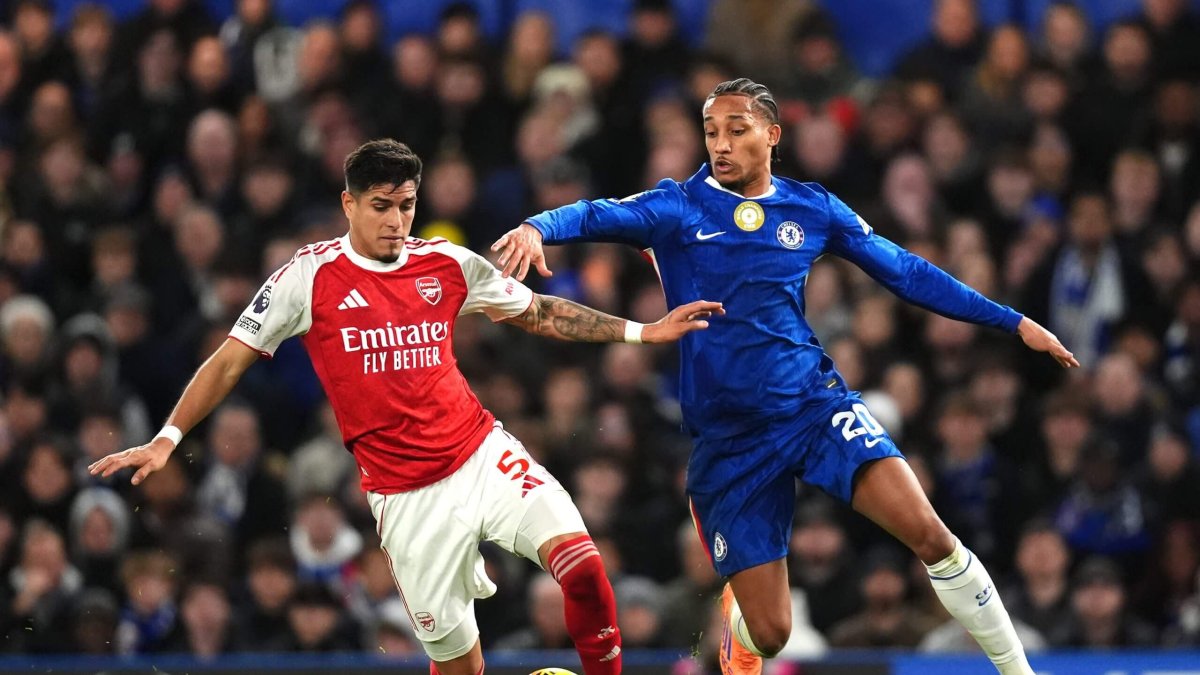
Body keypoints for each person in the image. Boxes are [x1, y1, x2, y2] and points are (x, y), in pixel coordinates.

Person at [491, 78, 1080, 675]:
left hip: (812, 407)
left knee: (930, 536)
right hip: (730, 441)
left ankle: (1018, 672)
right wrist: (539, 227)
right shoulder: (677, 207)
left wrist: (1013, 322)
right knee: (772, 636)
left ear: (772, 136)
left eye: (737, 130)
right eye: (712, 132)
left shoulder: (814, 208)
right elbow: (595, 213)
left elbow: (904, 271)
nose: (721, 144)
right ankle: (743, 620)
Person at [89, 139, 723, 675]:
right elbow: (229, 358)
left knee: (584, 568)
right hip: (406, 497)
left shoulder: (446, 264)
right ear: (349, 204)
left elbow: (539, 313)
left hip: (482, 453)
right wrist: (168, 437)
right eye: (382, 206)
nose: (397, 221)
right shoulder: (308, 278)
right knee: (459, 666)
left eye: (408, 205)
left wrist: (643, 332)